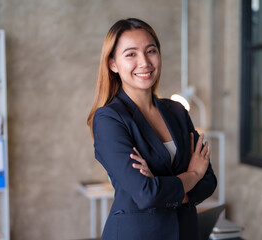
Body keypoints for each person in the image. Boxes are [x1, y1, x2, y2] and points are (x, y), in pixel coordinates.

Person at [87, 18, 217, 240]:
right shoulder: (109, 119)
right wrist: (192, 174)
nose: (144, 62)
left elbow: (209, 181)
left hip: (186, 233)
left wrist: (162, 186)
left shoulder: (177, 111)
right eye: (131, 54)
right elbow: (146, 194)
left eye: (151, 51)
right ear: (112, 64)